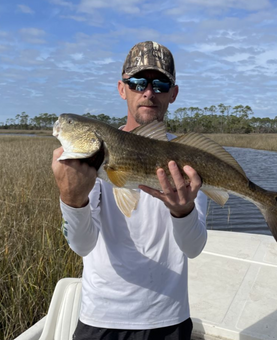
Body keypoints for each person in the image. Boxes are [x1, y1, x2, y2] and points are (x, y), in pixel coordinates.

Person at [52, 41, 208, 340]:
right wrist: (71, 200)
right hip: (100, 316)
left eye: (160, 83)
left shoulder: (188, 157)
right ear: (122, 89)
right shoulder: (87, 162)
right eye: (137, 82)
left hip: (169, 319)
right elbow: (82, 245)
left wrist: (183, 211)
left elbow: (193, 247)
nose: (149, 92)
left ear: (173, 94)